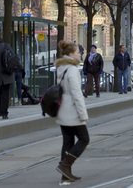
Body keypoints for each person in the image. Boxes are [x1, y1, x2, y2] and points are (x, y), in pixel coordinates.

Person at [55, 40, 89, 185]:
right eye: (78, 51)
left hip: (62, 109)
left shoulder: (61, 67)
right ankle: (65, 165)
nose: (80, 53)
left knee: (67, 142)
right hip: (72, 110)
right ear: (70, 54)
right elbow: (76, 94)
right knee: (84, 139)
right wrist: (83, 113)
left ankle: (65, 176)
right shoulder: (73, 70)